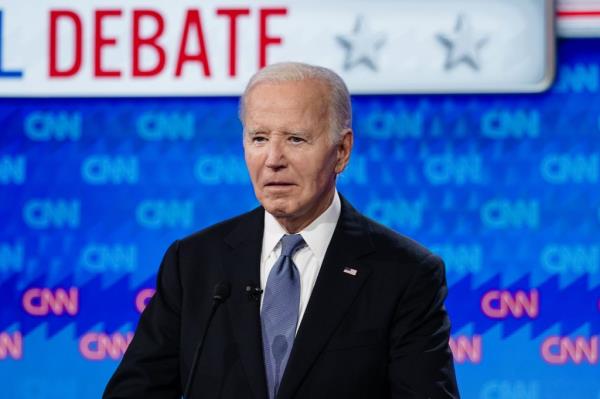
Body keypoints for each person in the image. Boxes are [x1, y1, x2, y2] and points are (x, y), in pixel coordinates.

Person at [103, 62, 459, 399]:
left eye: (296, 139)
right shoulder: (194, 262)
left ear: (342, 151)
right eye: (259, 138)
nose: (273, 159)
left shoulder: (405, 274)